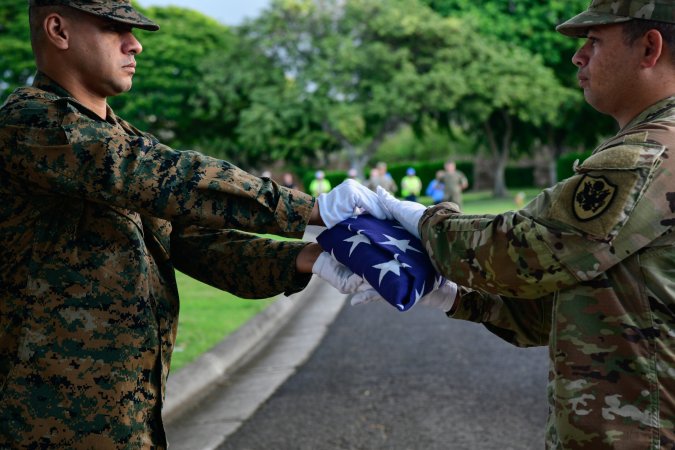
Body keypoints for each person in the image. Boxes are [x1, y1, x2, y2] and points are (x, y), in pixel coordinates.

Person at [0, 1, 389, 447]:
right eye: (114, 29)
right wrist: (312, 209)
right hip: (46, 429)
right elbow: (171, 178)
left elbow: (194, 243)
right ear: (58, 30)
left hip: (131, 424)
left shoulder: (122, 140)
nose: (136, 45)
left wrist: (313, 257)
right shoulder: (30, 123)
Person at [371, 1, 675, 447]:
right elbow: (582, 310)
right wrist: (452, 295)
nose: (578, 56)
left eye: (594, 41)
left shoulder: (648, 156)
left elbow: (525, 252)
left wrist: (424, 220)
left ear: (649, 48)